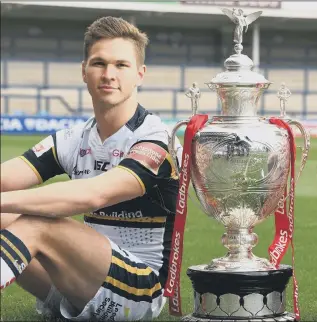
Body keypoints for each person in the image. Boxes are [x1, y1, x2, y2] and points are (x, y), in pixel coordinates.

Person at [0, 16, 182, 321]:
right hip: (81, 281)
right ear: (84, 71)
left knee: (40, 223)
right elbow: (7, 176)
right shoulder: (74, 138)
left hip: (140, 292)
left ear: (140, 74)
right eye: (99, 63)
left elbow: (94, 195)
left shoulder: (157, 139)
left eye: (121, 65)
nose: (108, 74)